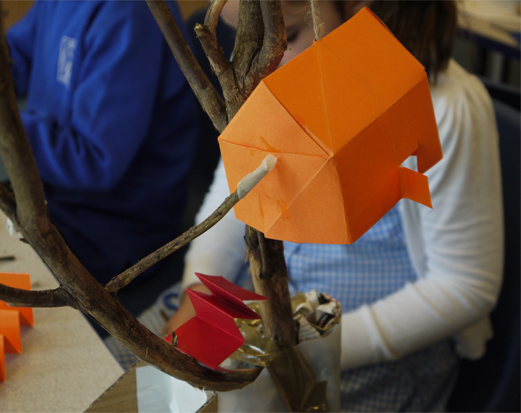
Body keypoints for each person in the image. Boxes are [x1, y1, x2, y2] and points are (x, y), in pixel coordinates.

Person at [163, 1, 504, 411]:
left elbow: (464, 286)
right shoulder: (276, 80)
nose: (259, 68)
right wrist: (200, 293)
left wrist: (304, 349)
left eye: (285, 39)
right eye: (243, 42)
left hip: (369, 346)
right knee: (150, 382)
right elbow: (233, 196)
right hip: (266, 314)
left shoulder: (446, 109)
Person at [0, 1, 199, 303]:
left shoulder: (130, 15)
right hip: (50, 191)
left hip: (111, 225)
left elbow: (92, 163)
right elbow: (15, 57)